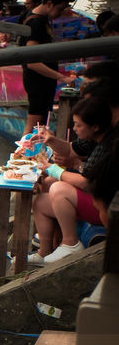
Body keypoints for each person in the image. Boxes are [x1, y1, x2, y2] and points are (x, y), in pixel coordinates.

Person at [29, 94, 114, 263]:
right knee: (40, 202)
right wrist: (51, 140)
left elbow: (85, 182)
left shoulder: (107, 145)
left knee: (57, 188)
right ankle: (44, 252)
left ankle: (70, 243)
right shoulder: (93, 138)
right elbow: (70, 150)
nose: (74, 128)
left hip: (107, 207)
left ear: (95, 127)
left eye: (78, 125)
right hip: (95, 198)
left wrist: (52, 169)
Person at [19, 0, 80, 135]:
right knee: (35, 124)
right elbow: (32, 62)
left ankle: (34, 154)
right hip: (37, 81)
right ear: (50, 4)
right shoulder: (36, 23)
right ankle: (23, 155)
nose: (61, 13)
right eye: (60, 8)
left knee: (40, 125)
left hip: (44, 81)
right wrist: (62, 78)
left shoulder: (40, 17)